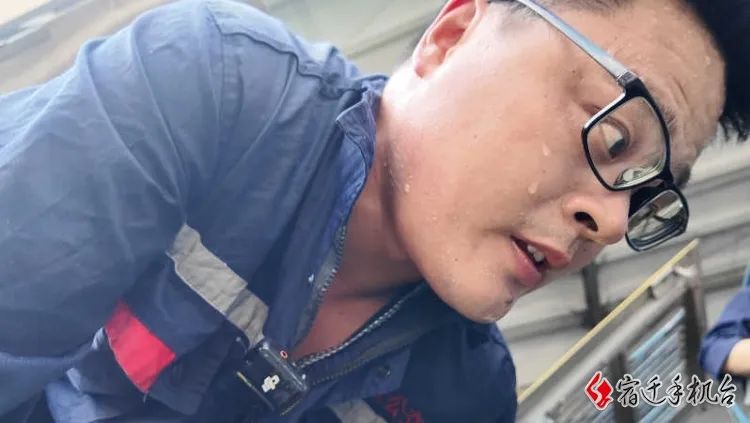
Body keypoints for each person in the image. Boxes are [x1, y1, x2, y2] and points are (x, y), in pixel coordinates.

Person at [0, 0, 747, 421]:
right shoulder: (214, 97)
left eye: (647, 194)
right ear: (451, 36)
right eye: (615, 137)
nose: (613, 225)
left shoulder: (463, 398)